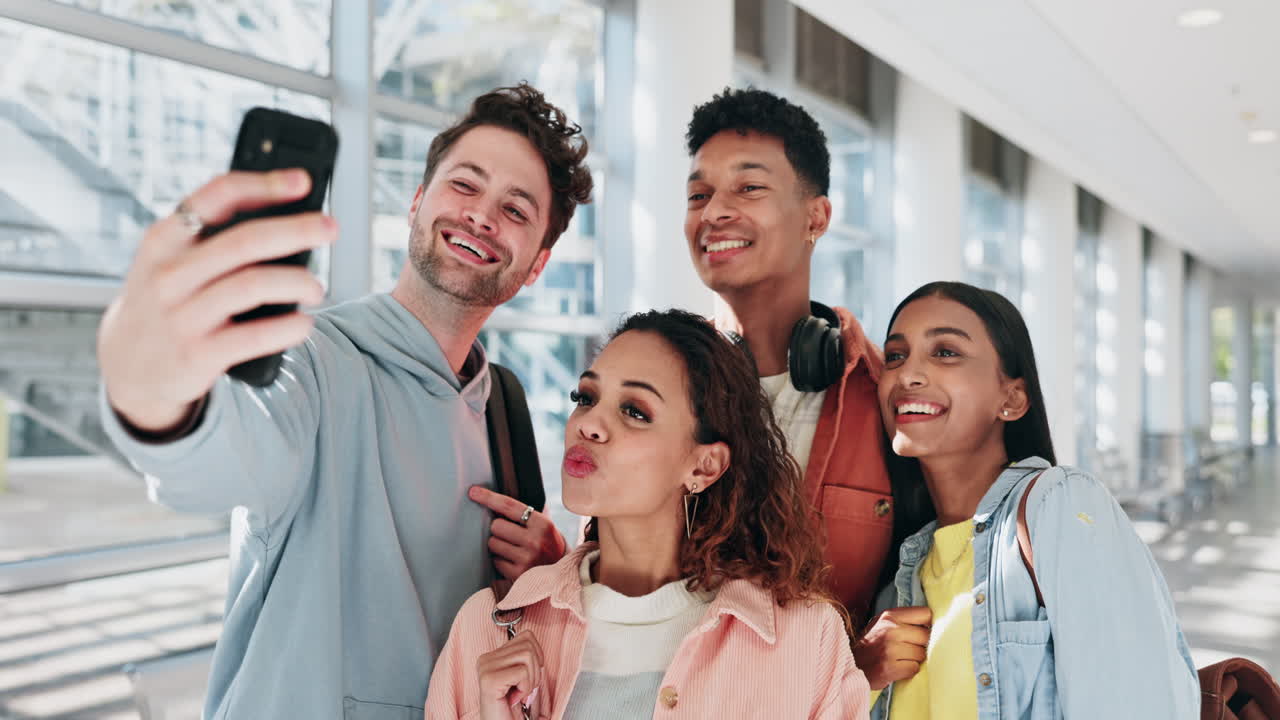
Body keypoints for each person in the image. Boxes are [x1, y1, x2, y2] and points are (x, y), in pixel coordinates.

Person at [95, 84, 592, 718]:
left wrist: (548, 578)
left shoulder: (505, 410)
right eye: (464, 185)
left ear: (537, 266)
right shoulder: (311, 365)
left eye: (515, 210)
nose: (481, 215)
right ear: (417, 202)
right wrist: (151, 388)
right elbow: (217, 458)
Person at [425, 309, 870, 719]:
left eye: (634, 411)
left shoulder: (805, 643)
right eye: (585, 397)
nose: (588, 424)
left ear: (704, 466)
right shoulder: (488, 629)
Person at [864, 281, 1199, 718]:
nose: (908, 374)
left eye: (945, 352)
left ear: (1012, 398)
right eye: (895, 356)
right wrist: (860, 675)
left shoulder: (1058, 507)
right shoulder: (900, 581)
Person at [683, 87, 928, 631]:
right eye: (699, 195)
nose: (715, 212)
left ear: (815, 217)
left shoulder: (886, 397)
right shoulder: (655, 383)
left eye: (749, 188)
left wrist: (862, 660)